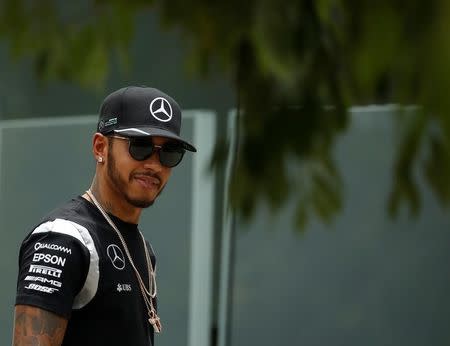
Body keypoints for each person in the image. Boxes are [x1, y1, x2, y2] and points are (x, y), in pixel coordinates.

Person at [12, 86, 196, 346]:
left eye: (169, 152)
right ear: (100, 147)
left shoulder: (144, 249)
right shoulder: (64, 238)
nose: (154, 164)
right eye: (140, 146)